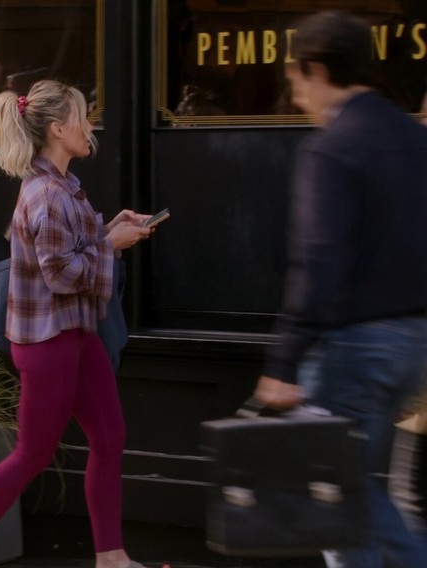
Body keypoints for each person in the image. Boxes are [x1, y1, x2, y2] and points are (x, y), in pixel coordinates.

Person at [0, 80, 153, 568]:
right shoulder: (47, 194)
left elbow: (65, 251)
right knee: (33, 453)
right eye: (82, 116)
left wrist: (110, 228)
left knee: (109, 437)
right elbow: (61, 274)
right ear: (57, 129)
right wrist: (111, 246)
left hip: (75, 332)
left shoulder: (62, 186)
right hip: (48, 342)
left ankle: (112, 557)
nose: (90, 126)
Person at [252, 10, 427, 568]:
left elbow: (318, 263)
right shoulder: (414, 137)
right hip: (413, 343)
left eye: (296, 79)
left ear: (318, 69)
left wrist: (283, 361)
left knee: (342, 493)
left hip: (354, 348)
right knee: (359, 490)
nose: (296, 96)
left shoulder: (332, 149)